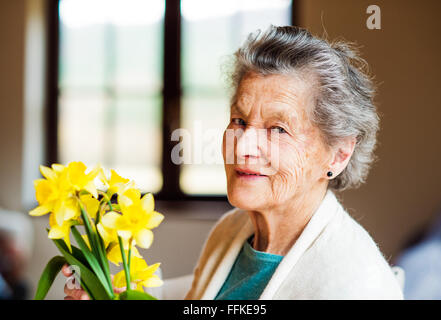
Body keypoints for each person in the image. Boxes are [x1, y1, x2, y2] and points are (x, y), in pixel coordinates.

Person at [63, 26, 403, 300]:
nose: (243, 147)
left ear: (338, 154)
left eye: (277, 129)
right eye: (239, 121)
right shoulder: (233, 230)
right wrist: (109, 291)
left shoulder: (355, 285)